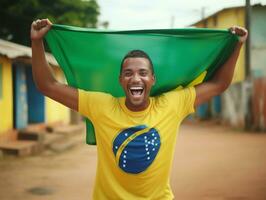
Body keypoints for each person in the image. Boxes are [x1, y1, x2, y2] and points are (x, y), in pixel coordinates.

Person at [31, 19, 248, 200]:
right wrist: (37, 42)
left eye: (143, 73)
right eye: (128, 73)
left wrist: (237, 44)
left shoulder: (171, 104)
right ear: (120, 80)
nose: (136, 78)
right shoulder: (101, 106)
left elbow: (219, 84)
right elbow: (47, 85)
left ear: (153, 79)